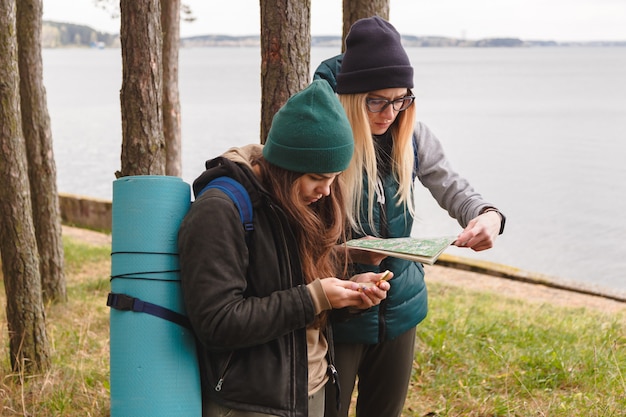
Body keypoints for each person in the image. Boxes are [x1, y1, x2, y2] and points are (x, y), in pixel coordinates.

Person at [313, 16, 507, 417]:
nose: (390, 113)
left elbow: (452, 186)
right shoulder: (322, 139)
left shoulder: (412, 134)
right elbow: (296, 233)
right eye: (377, 100)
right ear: (351, 96)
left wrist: (487, 215)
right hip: (337, 310)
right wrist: (347, 261)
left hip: (401, 308)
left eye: (401, 99)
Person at [177, 79, 391, 417]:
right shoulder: (220, 211)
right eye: (318, 178)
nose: (326, 190)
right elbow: (217, 323)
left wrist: (349, 292)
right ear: (285, 166)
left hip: (314, 387)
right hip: (250, 404)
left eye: (334, 178)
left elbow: (290, 280)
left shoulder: (302, 198)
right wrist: (316, 297)